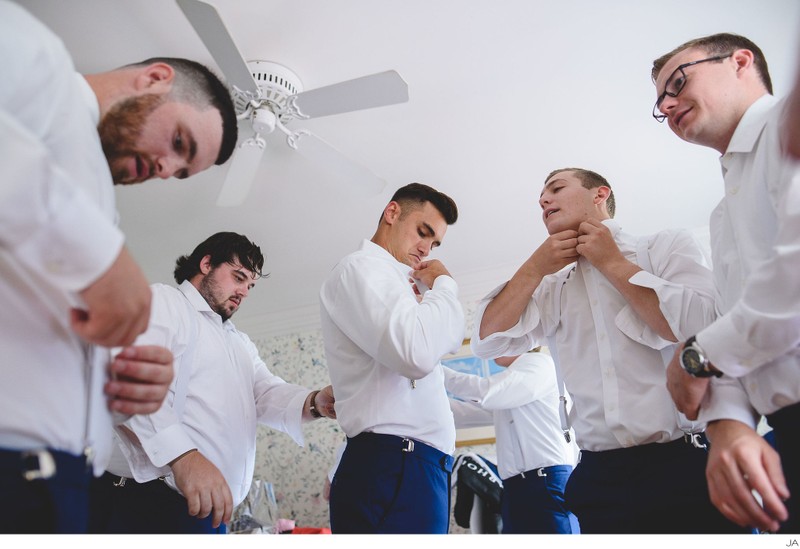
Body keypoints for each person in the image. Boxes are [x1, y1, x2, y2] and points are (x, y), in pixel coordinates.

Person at [0, 1, 238, 533]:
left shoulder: (94, 201)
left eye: (180, 173)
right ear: (154, 80)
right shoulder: (34, 57)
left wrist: (117, 377)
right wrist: (100, 259)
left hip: (62, 481)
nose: (165, 169)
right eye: (179, 144)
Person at [471, 167, 748, 533]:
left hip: (688, 462)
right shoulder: (553, 286)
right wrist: (534, 268)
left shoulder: (664, 246)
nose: (543, 200)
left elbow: (701, 325)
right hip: (599, 479)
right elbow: (489, 340)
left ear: (600, 194)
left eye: (556, 188)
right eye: (541, 198)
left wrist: (612, 262)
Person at [89, 232, 336, 534]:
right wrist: (183, 456)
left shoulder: (239, 342)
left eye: (250, 285)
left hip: (209, 514)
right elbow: (122, 375)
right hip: (150, 500)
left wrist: (315, 402)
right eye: (238, 277)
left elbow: (265, 392)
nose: (244, 291)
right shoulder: (164, 302)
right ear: (206, 264)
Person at [652, 32, 800, 533]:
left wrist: (696, 354)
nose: (668, 104)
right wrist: (729, 424)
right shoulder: (721, 218)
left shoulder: (790, 126)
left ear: (741, 61)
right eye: (660, 102)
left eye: (677, 81)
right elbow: (736, 324)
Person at [320, 182, 463, 533]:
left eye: (434, 243)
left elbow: (450, 341)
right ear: (392, 212)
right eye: (422, 232)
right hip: (395, 463)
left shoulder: (403, 287)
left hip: (418, 465)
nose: (425, 249)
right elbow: (417, 353)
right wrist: (445, 284)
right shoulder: (362, 268)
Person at [445, 348, 580, 534]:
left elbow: (486, 392)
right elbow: (462, 414)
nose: (490, 346)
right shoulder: (512, 385)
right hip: (516, 489)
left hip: (545, 484)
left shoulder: (538, 365)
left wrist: (435, 372)